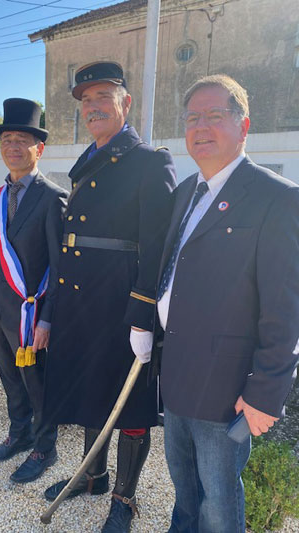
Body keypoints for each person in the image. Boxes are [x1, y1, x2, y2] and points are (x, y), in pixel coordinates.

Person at [153, 74, 299, 532]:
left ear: (244, 126)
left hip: (226, 386)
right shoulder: (185, 193)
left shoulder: (277, 198)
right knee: (183, 485)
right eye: (193, 117)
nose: (201, 126)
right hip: (176, 371)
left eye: (215, 115)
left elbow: (286, 306)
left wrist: (266, 391)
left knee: (218, 498)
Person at [43, 62, 176, 532]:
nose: (92, 106)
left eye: (103, 96)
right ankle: (92, 477)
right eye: (85, 100)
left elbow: (158, 244)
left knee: (129, 398)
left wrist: (143, 312)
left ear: (126, 102)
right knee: (90, 388)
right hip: (81, 298)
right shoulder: (90, 158)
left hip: (121, 301)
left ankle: (124, 497)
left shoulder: (147, 160)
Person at [0, 98, 67, 483]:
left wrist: (48, 318)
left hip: (32, 314)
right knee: (9, 379)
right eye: (7, 139)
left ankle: (45, 448)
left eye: (22, 140)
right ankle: (19, 433)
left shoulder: (53, 197)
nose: (13, 147)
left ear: (39, 149)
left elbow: (61, 269)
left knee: (39, 384)